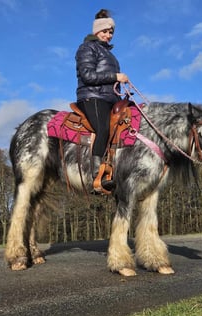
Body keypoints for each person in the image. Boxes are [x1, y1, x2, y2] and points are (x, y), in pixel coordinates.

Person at [75, 9, 129, 192]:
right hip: (91, 96)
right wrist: (115, 76)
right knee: (103, 127)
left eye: (111, 32)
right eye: (105, 31)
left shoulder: (110, 55)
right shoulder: (86, 48)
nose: (108, 35)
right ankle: (95, 174)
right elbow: (88, 75)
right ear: (96, 31)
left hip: (109, 99)